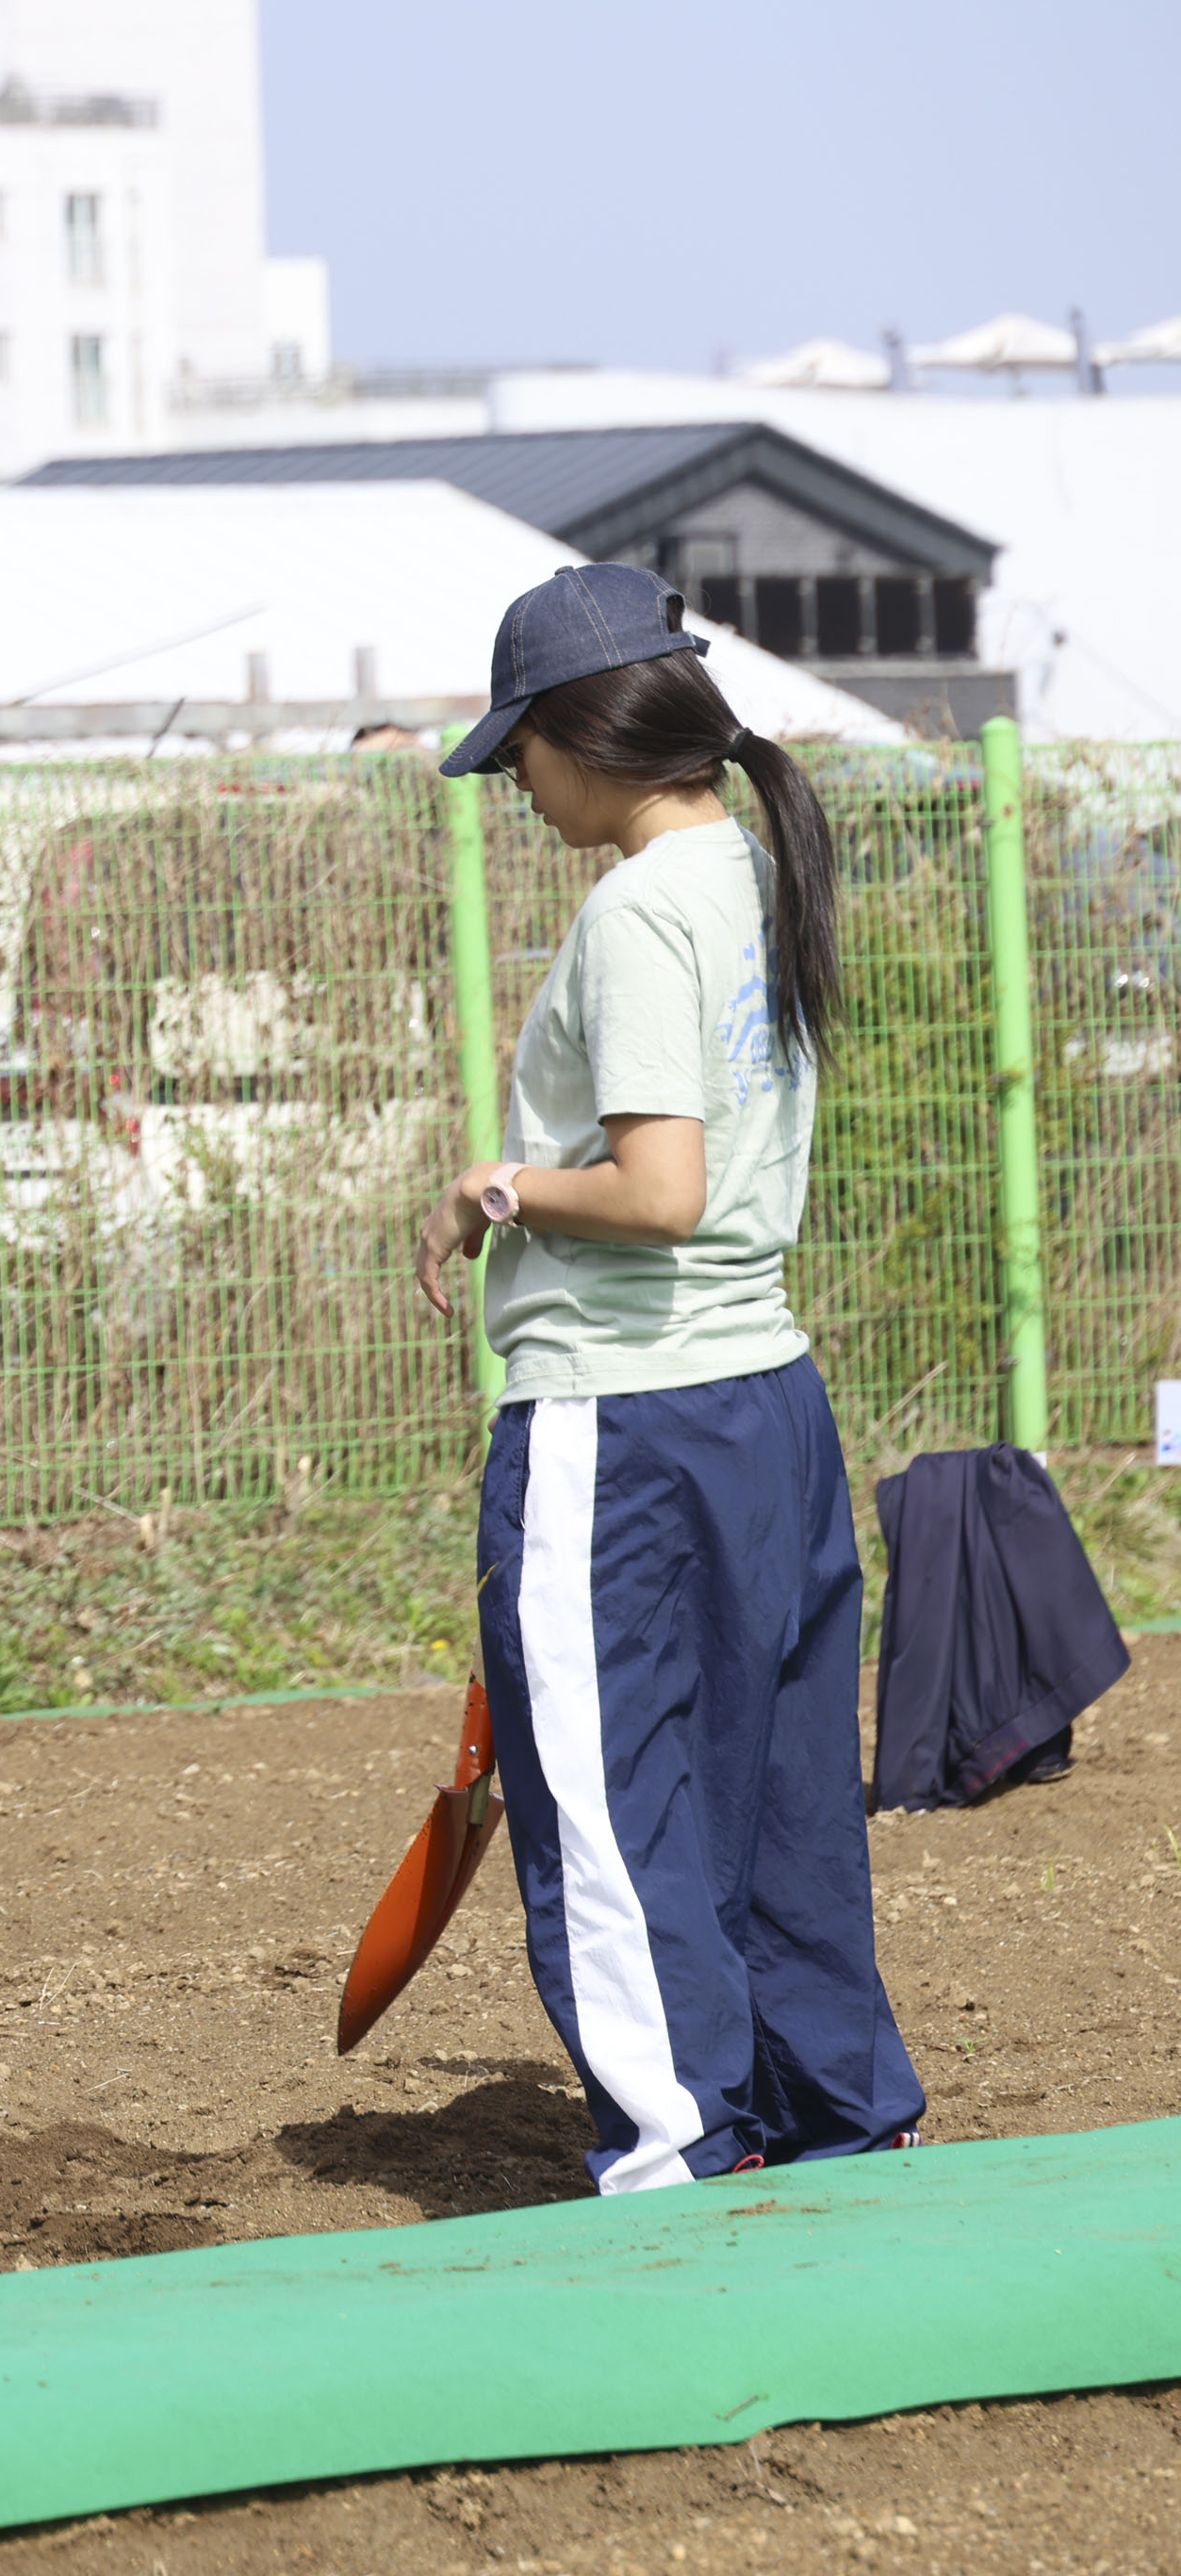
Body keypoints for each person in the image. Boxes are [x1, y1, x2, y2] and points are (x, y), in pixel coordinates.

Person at [412, 564, 924, 2193]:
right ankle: (837, 2112)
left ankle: (674, 2144)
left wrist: (494, 1185)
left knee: (617, 1801)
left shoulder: (634, 909)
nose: (515, 793)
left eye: (518, 762)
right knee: (779, 1790)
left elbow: (655, 1190)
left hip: (624, 1415)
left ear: (584, 738)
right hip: (766, 1400)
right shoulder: (752, 872)